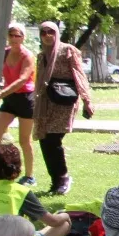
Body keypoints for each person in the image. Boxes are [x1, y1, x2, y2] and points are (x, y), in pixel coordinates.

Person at [32, 21, 94, 196]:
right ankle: (55, 180)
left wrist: (87, 100)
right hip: (46, 102)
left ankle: (63, 177)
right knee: (45, 140)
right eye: (43, 33)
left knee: (53, 139)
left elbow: (79, 74)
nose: (47, 36)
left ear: (57, 33)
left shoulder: (68, 50)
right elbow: (38, 82)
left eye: (51, 32)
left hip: (63, 100)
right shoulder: (41, 55)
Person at [0, 22, 37, 185]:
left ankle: (30, 176)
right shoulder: (4, 53)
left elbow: (23, 79)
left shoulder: (28, 56)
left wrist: (2, 93)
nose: (13, 38)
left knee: (24, 140)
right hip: (10, 99)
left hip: (25, 99)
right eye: (10, 35)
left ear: (23, 37)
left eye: (17, 35)